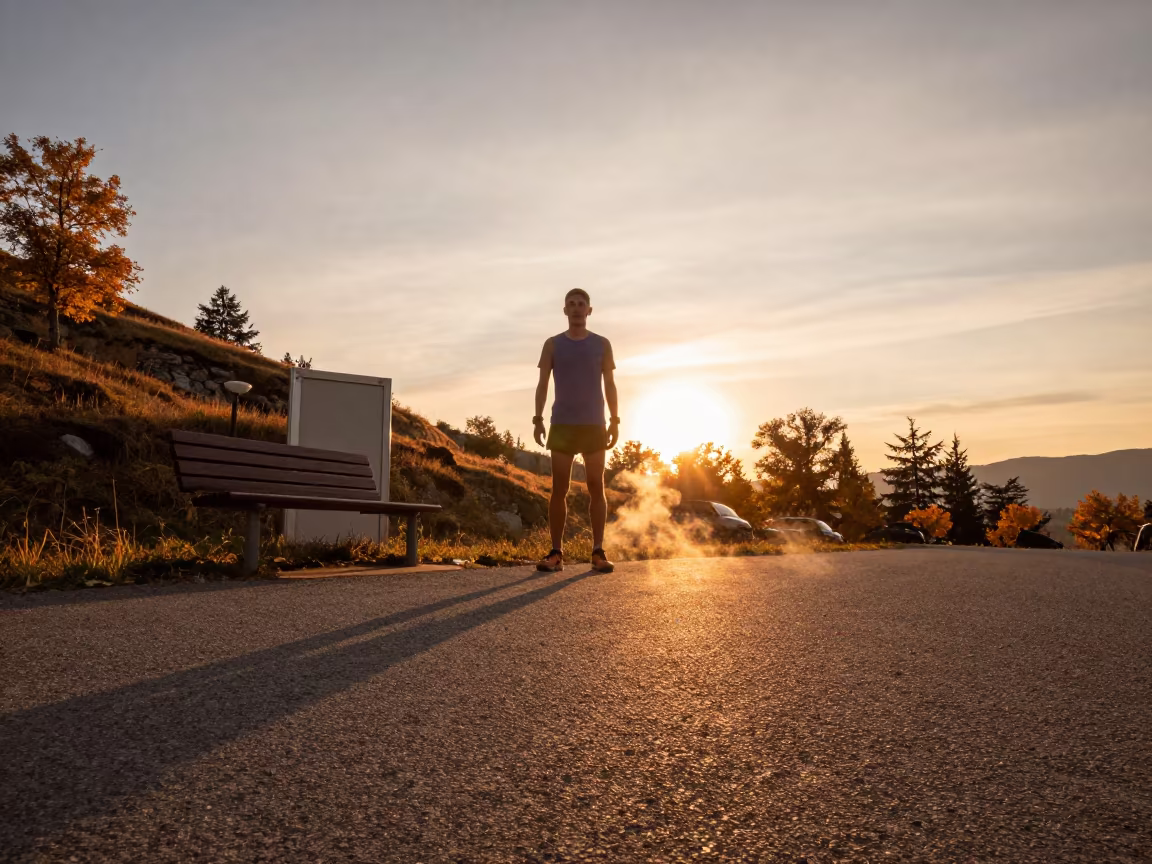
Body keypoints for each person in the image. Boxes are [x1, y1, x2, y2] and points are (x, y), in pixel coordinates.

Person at [533, 288, 619, 573]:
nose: (577, 308)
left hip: (595, 423)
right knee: (560, 488)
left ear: (589, 310)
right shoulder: (553, 344)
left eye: (581, 304)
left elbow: (610, 384)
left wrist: (615, 420)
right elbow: (543, 383)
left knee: (597, 486)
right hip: (562, 424)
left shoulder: (602, 344)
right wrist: (537, 419)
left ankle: (597, 552)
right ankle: (556, 553)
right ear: (565, 310)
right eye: (571, 304)